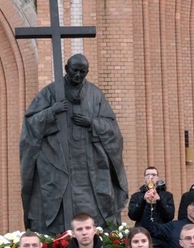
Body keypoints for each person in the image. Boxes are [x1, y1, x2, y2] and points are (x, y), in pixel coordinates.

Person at [20, 53, 128, 234]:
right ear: (66, 69)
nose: (78, 75)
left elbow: (113, 128)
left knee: (93, 210)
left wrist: (92, 122)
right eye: (74, 71)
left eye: (82, 72)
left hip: (90, 166)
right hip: (57, 163)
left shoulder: (95, 95)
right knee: (57, 213)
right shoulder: (50, 93)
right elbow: (30, 124)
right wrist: (51, 112)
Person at [127, 166, 175, 248]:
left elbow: (169, 216)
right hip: (141, 241)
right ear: (144, 178)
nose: (151, 177)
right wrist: (143, 200)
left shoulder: (167, 195)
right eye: (148, 175)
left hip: (159, 243)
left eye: (153, 175)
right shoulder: (137, 196)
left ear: (157, 178)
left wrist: (160, 201)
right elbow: (132, 215)